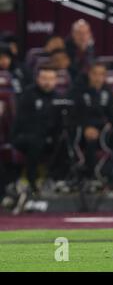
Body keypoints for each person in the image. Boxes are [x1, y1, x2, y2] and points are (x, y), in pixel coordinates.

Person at [11, 65, 62, 197]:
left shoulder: (59, 97)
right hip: (24, 136)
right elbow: (24, 122)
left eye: (51, 78)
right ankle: (31, 182)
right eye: (44, 78)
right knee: (36, 141)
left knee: (64, 139)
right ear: (37, 79)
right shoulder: (28, 95)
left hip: (48, 136)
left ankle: (58, 180)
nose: (47, 82)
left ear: (56, 80)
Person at [68, 62, 113, 186]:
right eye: (95, 74)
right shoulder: (78, 91)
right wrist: (86, 127)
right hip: (82, 131)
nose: (98, 78)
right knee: (90, 141)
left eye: (101, 74)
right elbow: (73, 114)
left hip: (104, 131)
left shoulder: (108, 92)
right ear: (90, 75)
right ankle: (89, 177)